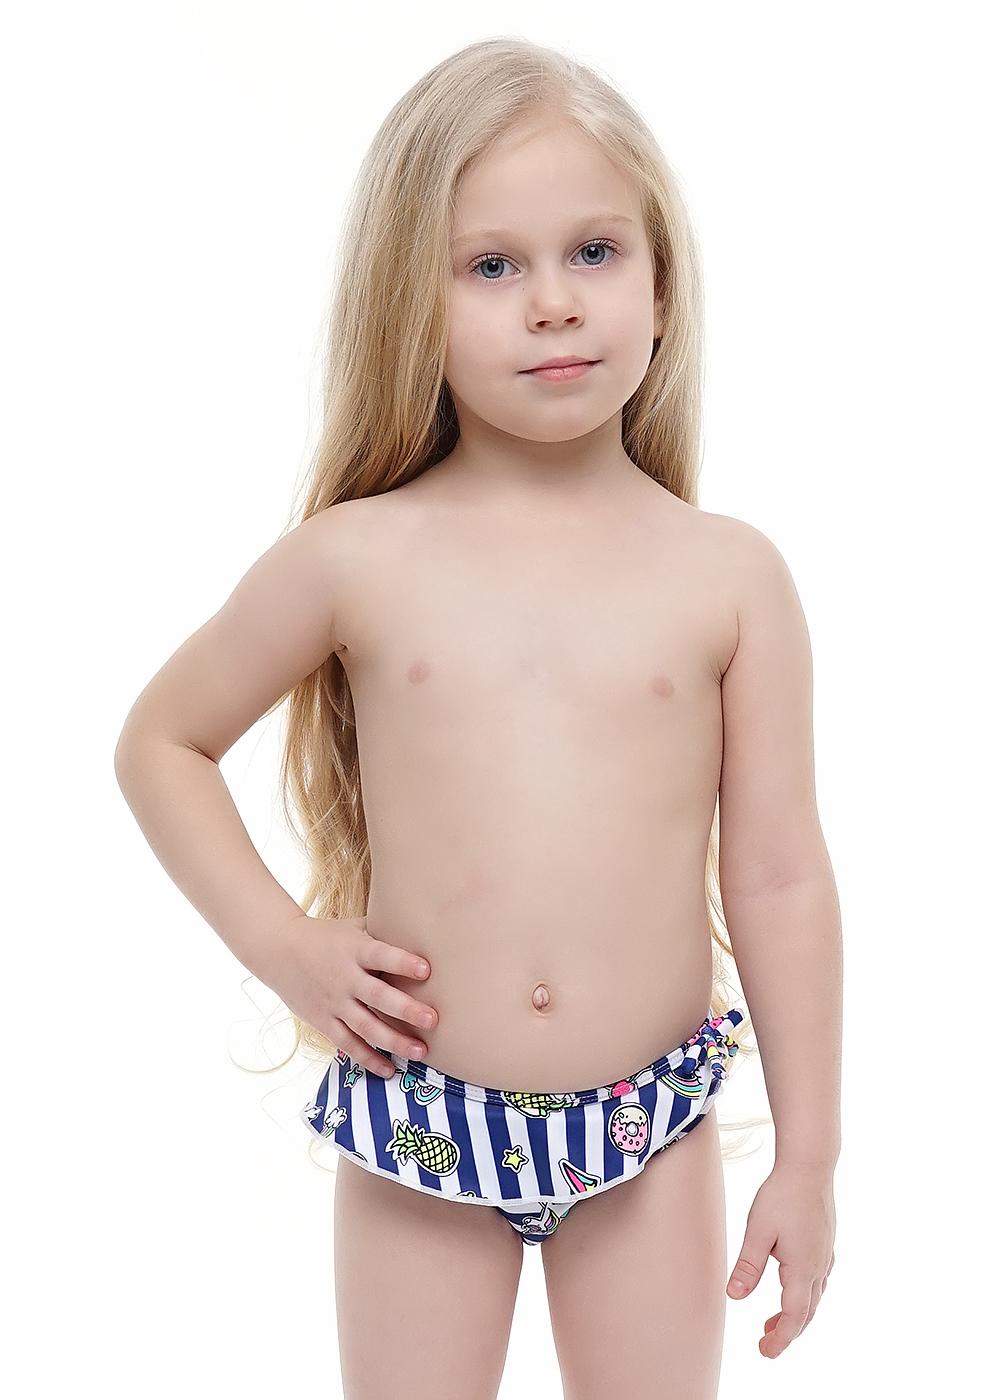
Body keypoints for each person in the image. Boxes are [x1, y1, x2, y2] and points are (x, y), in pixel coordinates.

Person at [114, 36, 841, 1400]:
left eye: (595, 252)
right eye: (492, 266)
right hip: (421, 1125)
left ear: (662, 281)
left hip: (648, 1130)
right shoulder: (357, 557)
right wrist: (286, 948)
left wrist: (809, 1157)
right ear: (413, 302)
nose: (554, 303)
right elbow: (163, 742)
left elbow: (782, 873)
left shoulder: (731, 577)